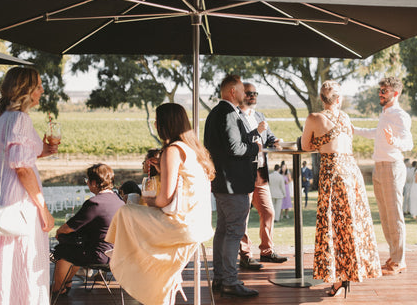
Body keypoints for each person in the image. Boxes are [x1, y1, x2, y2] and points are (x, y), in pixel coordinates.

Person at [106, 103, 215, 304]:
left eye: (157, 120)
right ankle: (134, 260)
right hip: (199, 224)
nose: (155, 124)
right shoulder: (192, 149)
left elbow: (164, 199)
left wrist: (147, 200)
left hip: (179, 225)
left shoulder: (172, 150)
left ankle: (122, 258)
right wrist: (162, 168)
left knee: (126, 212)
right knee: (132, 219)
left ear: (164, 124)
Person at [0, 67, 57, 305]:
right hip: (19, 196)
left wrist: (42, 151)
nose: (42, 90)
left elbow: (9, 155)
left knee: (3, 258)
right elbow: (21, 167)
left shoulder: (0, 118)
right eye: (39, 86)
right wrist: (43, 209)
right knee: (24, 257)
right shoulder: (20, 119)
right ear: (27, 89)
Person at [301, 80, 381, 297]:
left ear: (322, 98)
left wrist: (320, 143)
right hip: (351, 172)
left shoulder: (314, 118)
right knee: (350, 224)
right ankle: (349, 273)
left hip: (332, 172)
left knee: (333, 226)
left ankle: (338, 278)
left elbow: (305, 146)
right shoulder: (345, 117)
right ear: (338, 99)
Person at [204, 75, 260, 298]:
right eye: (240, 89)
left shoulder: (216, 113)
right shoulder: (227, 114)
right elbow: (235, 148)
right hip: (232, 183)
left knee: (223, 230)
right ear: (231, 92)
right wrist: (255, 148)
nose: (245, 94)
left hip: (222, 182)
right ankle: (229, 280)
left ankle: (220, 277)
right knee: (234, 231)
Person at [353, 76, 413, 276]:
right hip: (379, 167)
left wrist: (394, 140)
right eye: (380, 90)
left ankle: (399, 261)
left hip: (392, 168)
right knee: (386, 217)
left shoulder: (399, 115)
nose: (380, 93)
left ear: (395, 94)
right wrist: (355, 130)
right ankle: (394, 256)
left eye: (384, 90)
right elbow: (376, 133)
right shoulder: (385, 113)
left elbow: (408, 143)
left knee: (394, 216)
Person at [51, 163, 124, 295]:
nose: (87, 183)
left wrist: (58, 232)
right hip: (118, 255)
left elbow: (67, 228)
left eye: (87, 181)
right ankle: (66, 283)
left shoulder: (95, 203)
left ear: (94, 182)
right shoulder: (119, 201)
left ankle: (57, 289)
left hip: (100, 256)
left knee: (62, 250)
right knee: (75, 249)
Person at [238, 82, 288, 269]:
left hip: (261, 172)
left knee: (268, 212)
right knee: (243, 215)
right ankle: (245, 255)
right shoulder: (235, 117)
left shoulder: (260, 116)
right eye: (249, 93)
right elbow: (238, 142)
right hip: (244, 173)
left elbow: (268, 136)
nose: (252, 96)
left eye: (255, 93)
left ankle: (266, 252)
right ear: (241, 94)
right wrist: (256, 131)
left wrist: (275, 140)